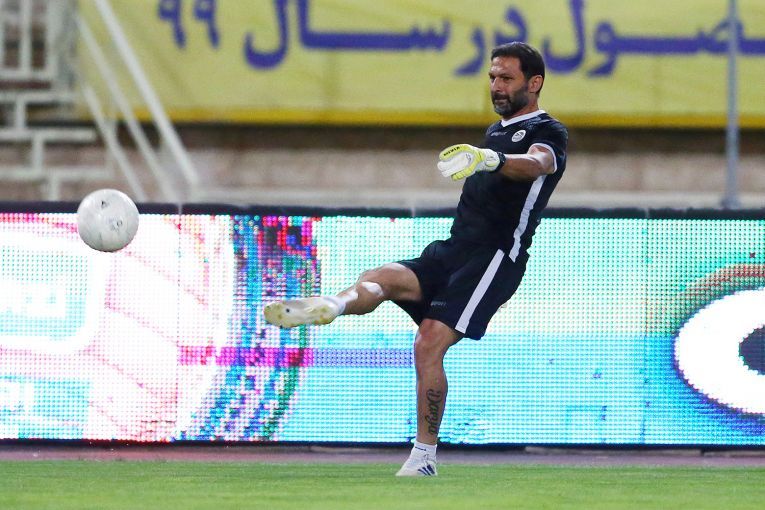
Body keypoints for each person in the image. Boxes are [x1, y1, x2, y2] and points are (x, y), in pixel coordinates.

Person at [263, 41, 568, 477]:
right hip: (454, 248)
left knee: (428, 343)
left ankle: (423, 458)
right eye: (492, 77)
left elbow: (538, 164)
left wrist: (489, 158)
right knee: (383, 277)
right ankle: (333, 304)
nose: (496, 86)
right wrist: (488, 153)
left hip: (495, 258)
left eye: (506, 78)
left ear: (534, 83)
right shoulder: (495, 130)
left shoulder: (548, 131)